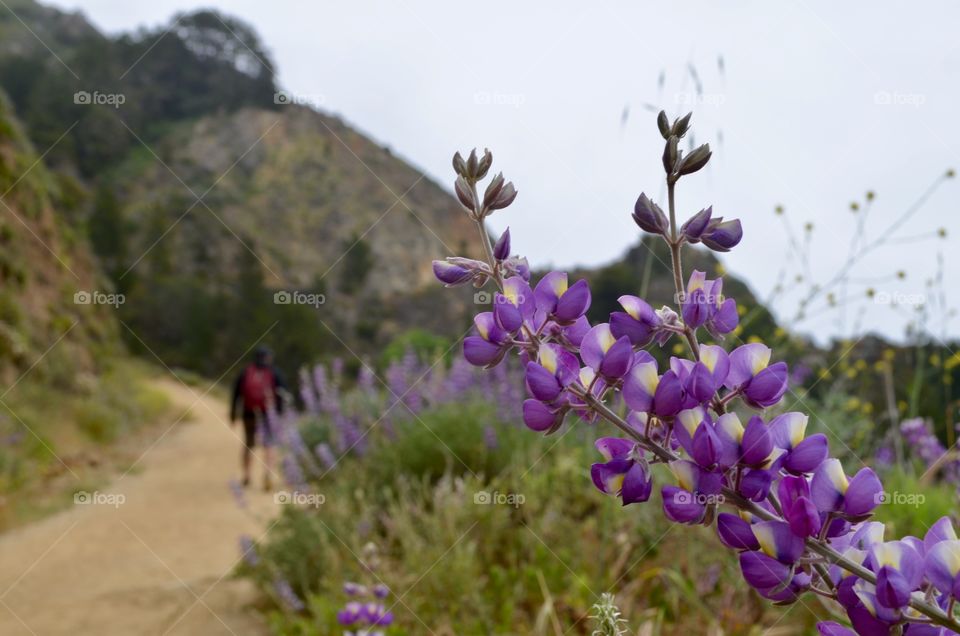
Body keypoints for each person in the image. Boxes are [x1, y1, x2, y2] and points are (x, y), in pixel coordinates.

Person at [230, 346, 286, 490]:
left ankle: (247, 475)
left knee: (249, 444)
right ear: (268, 357)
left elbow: (236, 394)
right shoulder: (274, 373)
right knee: (269, 445)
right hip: (269, 415)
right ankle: (267, 475)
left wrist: (233, 414)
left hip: (249, 413)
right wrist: (280, 414)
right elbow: (282, 394)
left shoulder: (245, 372)